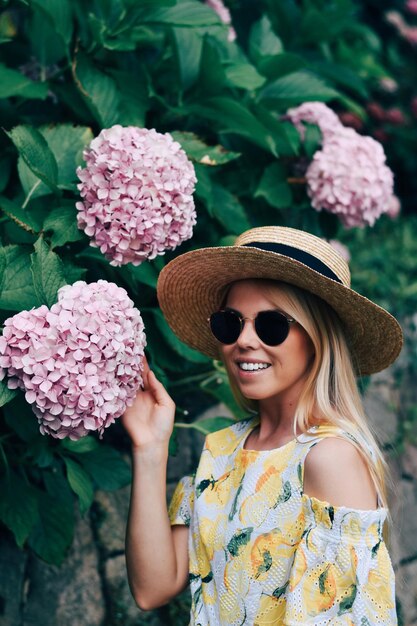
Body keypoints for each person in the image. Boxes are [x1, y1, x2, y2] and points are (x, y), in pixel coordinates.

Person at [122, 226, 403, 625]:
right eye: (230, 323)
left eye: (272, 324)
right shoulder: (222, 448)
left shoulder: (328, 458)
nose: (245, 340)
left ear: (317, 338)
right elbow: (152, 588)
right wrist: (149, 448)